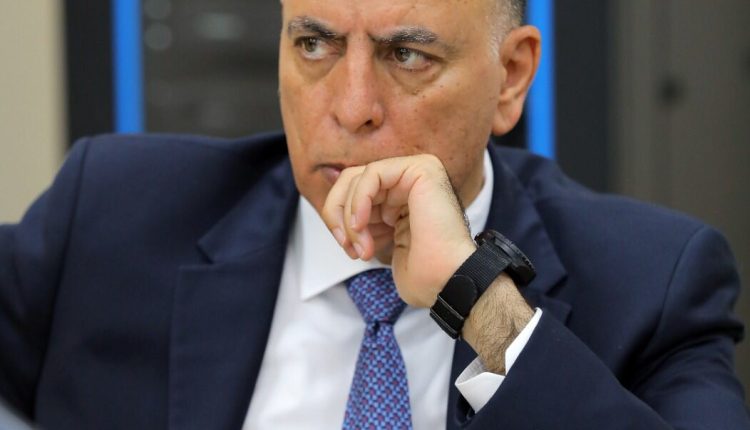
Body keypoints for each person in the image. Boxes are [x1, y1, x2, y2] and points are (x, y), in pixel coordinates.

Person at [0, 0, 748, 428]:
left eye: (408, 56)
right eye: (314, 45)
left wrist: (479, 302)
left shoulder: (654, 282)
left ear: (511, 78)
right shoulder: (114, 213)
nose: (352, 108)